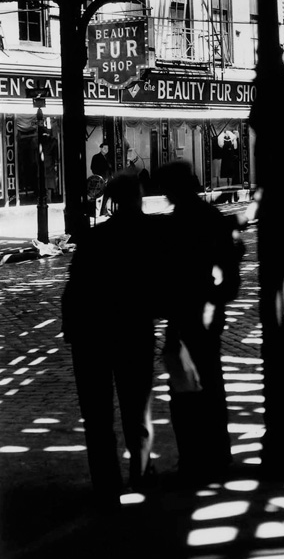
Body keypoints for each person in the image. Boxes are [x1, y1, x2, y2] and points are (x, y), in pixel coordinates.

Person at [61, 173, 158, 510]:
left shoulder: (95, 238)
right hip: (133, 331)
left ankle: (107, 484)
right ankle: (142, 474)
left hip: (91, 334)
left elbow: (75, 287)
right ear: (139, 197)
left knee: (97, 416)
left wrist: (71, 327)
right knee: (137, 409)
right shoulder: (151, 235)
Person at [155, 161, 243, 484]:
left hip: (183, 316)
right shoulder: (212, 218)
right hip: (207, 314)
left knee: (184, 392)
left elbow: (163, 275)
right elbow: (231, 274)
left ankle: (192, 459)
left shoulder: (175, 225)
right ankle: (217, 455)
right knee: (211, 385)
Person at [90, 142, 113, 216]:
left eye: (107, 148)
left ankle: (104, 211)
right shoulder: (96, 157)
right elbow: (93, 168)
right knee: (99, 196)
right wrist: (100, 177)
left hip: (108, 179)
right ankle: (97, 213)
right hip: (100, 179)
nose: (106, 149)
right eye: (104, 148)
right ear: (101, 148)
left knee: (107, 196)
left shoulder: (108, 158)